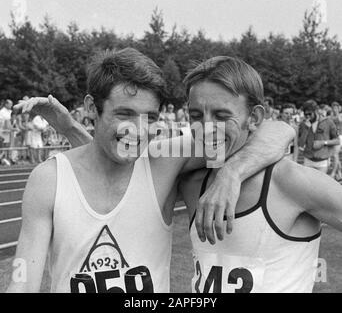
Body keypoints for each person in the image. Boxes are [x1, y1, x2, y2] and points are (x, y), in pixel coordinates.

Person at [8, 48, 293, 293]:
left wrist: (232, 173)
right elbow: (23, 281)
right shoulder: (49, 179)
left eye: (150, 118)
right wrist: (72, 129)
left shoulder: (161, 159)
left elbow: (278, 131)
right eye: (124, 114)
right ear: (91, 107)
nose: (138, 130)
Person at [175, 56, 342, 293]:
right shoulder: (190, 181)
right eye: (195, 115)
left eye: (222, 116)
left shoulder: (290, 182)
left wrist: (231, 172)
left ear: (253, 118)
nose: (207, 127)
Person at [298, 100, 340, 174]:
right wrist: (306, 129)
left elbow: (337, 140)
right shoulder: (303, 124)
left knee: (320, 184)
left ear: (316, 111)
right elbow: (300, 144)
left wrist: (323, 142)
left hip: (322, 161)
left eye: (309, 114)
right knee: (307, 184)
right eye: (305, 114)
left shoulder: (328, 122)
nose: (307, 116)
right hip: (308, 159)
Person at [330, 101, 342, 181]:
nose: (334, 109)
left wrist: (337, 113)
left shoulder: (340, 115)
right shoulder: (330, 116)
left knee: (335, 155)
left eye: (336, 107)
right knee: (335, 155)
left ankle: (333, 173)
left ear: (338, 108)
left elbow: (340, 121)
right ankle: (339, 173)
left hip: (340, 136)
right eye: (333, 107)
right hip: (333, 137)